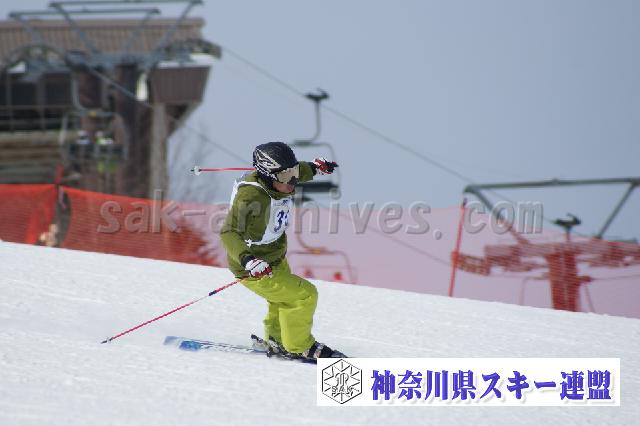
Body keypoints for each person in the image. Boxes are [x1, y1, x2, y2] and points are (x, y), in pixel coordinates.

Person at [220, 142, 344, 360]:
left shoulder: (282, 179)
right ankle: (300, 346)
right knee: (305, 295)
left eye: (293, 173)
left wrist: (315, 167)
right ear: (268, 176)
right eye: (287, 177)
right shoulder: (250, 197)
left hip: (275, 258)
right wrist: (249, 260)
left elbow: (297, 171)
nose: (293, 182)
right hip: (254, 266)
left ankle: (277, 340)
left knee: (283, 300)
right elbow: (228, 232)